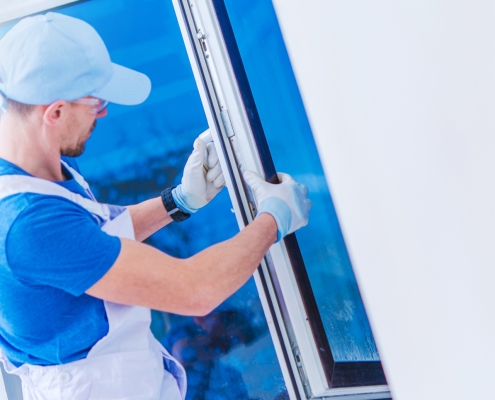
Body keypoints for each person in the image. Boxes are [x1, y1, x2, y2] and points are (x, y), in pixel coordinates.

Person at [0, 12, 311, 400]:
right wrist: (273, 219)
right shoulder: (25, 224)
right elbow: (195, 291)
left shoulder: (40, 166)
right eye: (97, 102)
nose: (106, 112)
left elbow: (90, 240)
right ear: (56, 112)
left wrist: (179, 201)